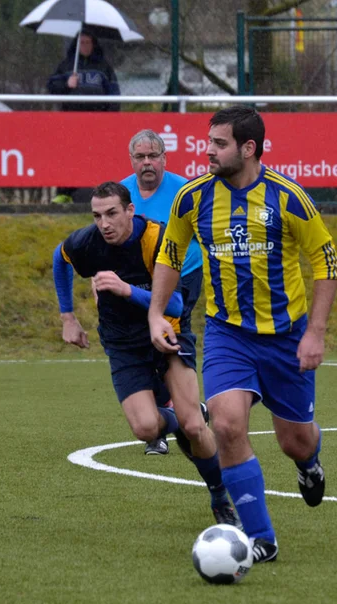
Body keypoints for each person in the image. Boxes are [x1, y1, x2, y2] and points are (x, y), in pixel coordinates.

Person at [147, 106, 337, 565]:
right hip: (227, 333)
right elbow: (170, 255)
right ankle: (260, 538)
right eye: (208, 140)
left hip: (286, 337)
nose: (207, 150)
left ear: (248, 148)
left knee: (295, 441)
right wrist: (156, 313)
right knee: (228, 424)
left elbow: (327, 263)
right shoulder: (193, 198)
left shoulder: (288, 197)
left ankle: (309, 462)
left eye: (219, 143)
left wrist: (315, 332)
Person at [52, 181, 239, 527]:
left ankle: (219, 498)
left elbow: (178, 303)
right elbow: (59, 257)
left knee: (196, 427)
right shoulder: (87, 242)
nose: (104, 223)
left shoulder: (157, 239)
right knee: (145, 427)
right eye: (96, 215)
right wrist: (68, 317)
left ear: (129, 211)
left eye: (111, 214)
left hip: (166, 333)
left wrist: (126, 291)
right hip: (123, 344)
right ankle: (178, 421)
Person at [121, 129, 198, 455]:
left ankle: (175, 419)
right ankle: (167, 417)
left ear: (165, 158)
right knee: (141, 342)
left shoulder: (184, 191)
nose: (147, 163)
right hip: (138, 281)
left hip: (183, 276)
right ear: (132, 160)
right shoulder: (121, 192)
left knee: (165, 340)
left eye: (153, 156)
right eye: (140, 157)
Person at [47, 30, 120, 204]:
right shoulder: (67, 66)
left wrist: (110, 120)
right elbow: (51, 86)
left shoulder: (104, 67)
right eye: (82, 42)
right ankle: (64, 192)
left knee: (95, 157)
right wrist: (66, 83)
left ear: (93, 45)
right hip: (72, 123)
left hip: (97, 124)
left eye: (88, 42)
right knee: (68, 156)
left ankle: (100, 193)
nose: (85, 46)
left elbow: (114, 95)